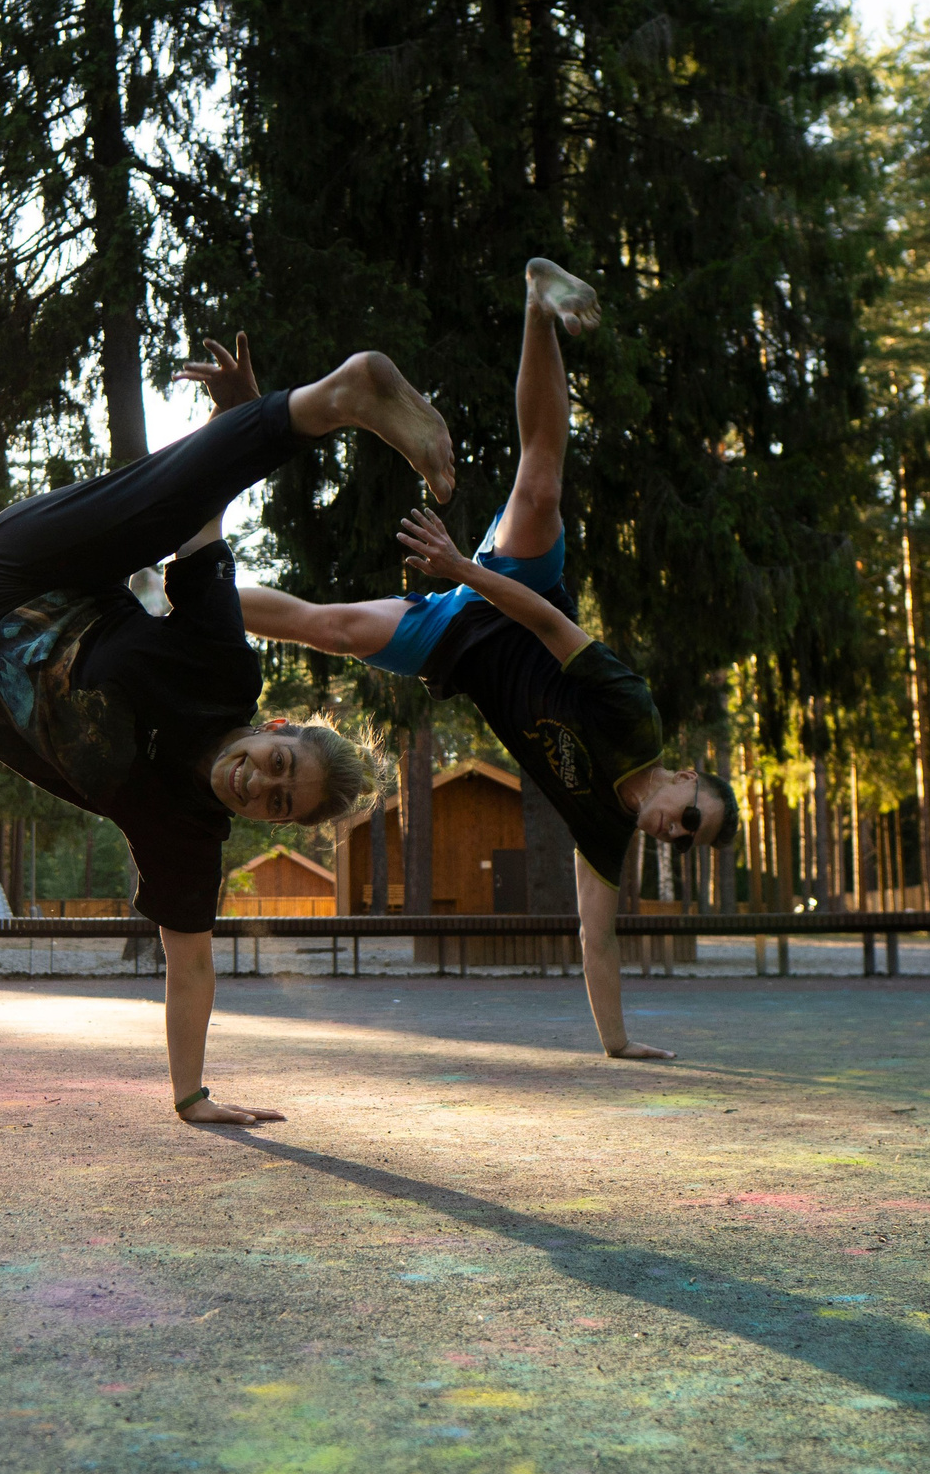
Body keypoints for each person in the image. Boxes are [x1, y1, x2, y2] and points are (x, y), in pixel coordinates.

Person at [0, 350, 454, 1125]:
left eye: (275, 803)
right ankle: (336, 395)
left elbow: (192, 968)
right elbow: (198, 533)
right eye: (277, 765)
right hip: (38, 562)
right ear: (275, 728)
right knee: (158, 509)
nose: (256, 783)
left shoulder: (188, 831)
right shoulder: (223, 669)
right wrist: (238, 423)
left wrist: (192, 1095)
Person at [236, 260, 739, 1061]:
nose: (670, 829)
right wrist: (462, 567)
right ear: (682, 776)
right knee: (539, 484)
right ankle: (538, 305)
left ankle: (169, 593)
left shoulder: (607, 832)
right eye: (688, 815)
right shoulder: (633, 712)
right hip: (514, 592)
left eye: (682, 840)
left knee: (325, 626)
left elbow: (595, 936)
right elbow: (543, 617)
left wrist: (617, 1043)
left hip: (458, 645)